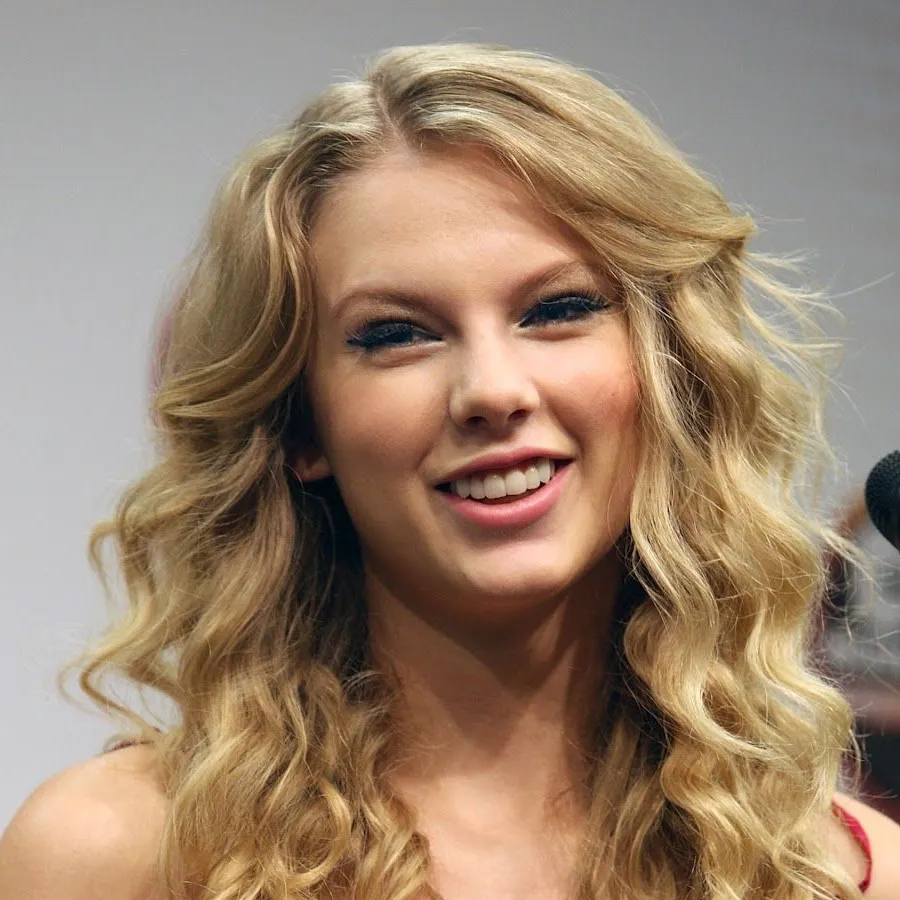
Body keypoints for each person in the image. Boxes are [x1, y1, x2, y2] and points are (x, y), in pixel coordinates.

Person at [1, 42, 898, 900]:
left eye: (557, 309)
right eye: (398, 334)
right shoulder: (115, 855)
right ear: (300, 427)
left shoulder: (843, 875)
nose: (492, 390)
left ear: (671, 373)